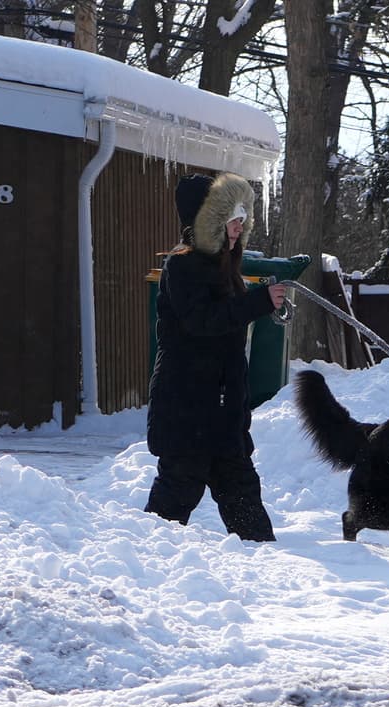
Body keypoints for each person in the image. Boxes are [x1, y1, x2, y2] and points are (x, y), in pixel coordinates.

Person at [144, 172, 288, 541]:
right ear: (207, 221)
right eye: (230, 217)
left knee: (242, 496)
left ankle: (262, 563)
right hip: (188, 410)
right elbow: (201, 323)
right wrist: (255, 303)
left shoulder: (225, 269)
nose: (239, 226)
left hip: (222, 414)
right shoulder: (182, 266)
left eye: (242, 217)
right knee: (173, 500)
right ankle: (144, 559)